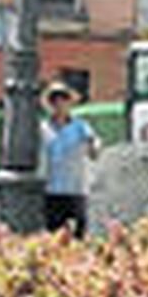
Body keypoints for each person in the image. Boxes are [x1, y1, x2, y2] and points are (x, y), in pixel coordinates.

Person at [41, 81, 100, 236]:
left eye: (63, 100)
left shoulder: (80, 126)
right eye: (55, 100)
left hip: (76, 188)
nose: (59, 104)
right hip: (51, 188)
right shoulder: (44, 128)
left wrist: (92, 148)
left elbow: (94, 143)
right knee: (54, 232)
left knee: (77, 232)